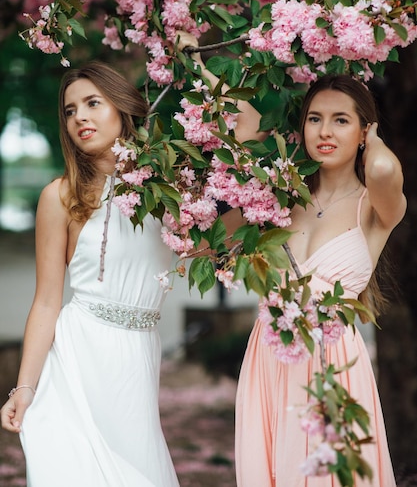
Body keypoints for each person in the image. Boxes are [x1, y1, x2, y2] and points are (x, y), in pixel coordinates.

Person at [0, 46, 261, 486]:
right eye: (70, 110)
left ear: (122, 110)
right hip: (76, 353)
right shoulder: (60, 197)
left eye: (93, 103)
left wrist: (191, 58)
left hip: (137, 357)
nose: (80, 117)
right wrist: (24, 387)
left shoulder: (175, 188)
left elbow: (249, 126)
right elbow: (46, 301)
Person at [235, 74, 406, 487]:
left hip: (333, 361)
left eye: (341, 120)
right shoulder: (279, 198)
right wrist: (195, 60)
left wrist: (375, 139)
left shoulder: (374, 207)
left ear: (364, 131)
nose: (325, 131)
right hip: (269, 357)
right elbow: (240, 133)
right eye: (314, 119)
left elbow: (383, 167)